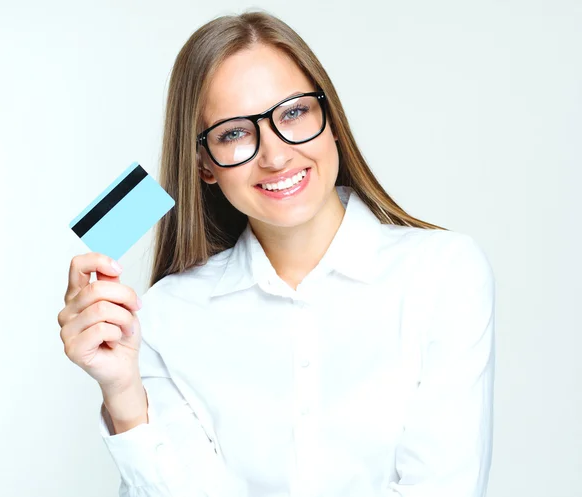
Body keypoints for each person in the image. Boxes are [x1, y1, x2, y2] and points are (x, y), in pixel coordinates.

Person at [58, 9, 496, 497]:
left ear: (330, 120)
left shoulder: (443, 272)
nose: (275, 155)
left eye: (292, 113)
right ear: (204, 164)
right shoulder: (163, 316)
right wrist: (123, 393)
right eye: (234, 133)